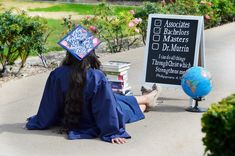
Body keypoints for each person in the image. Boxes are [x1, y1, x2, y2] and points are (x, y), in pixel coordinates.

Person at [25, 26, 161, 144]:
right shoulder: (96, 77)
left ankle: (147, 98)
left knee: (115, 98)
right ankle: (146, 101)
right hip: (94, 121)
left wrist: (40, 121)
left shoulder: (57, 74)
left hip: (68, 118)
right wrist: (112, 132)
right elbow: (106, 107)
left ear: (68, 53)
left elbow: (50, 103)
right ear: (91, 54)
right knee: (126, 109)